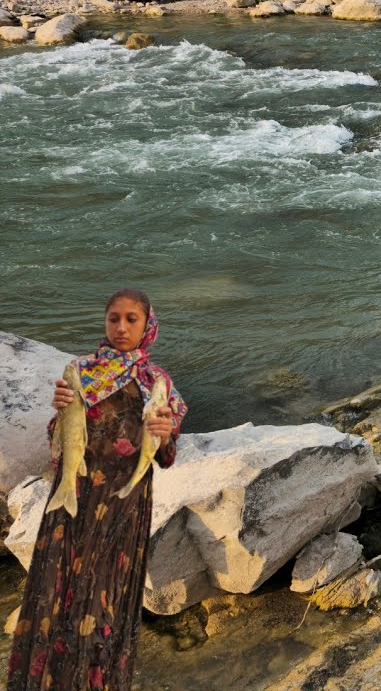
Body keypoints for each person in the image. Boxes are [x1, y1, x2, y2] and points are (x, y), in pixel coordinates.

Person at [8, 289, 187, 691]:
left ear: (148, 326)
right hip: (74, 496)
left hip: (124, 503)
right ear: (104, 322)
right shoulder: (81, 371)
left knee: (103, 598)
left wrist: (164, 433)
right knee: (54, 592)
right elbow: (58, 445)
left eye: (131, 319)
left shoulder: (157, 383)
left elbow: (167, 457)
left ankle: (97, 682)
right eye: (113, 318)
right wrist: (58, 413)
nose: (121, 328)